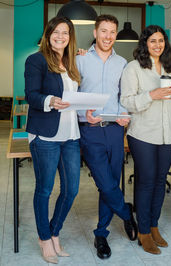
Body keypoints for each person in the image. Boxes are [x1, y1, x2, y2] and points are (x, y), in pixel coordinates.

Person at [76, 14, 137, 260]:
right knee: (105, 181)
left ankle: (101, 233)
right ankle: (126, 213)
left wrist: (125, 115)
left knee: (110, 180)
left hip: (114, 129)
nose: (108, 37)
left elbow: (124, 95)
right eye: (104, 31)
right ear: (95, 32)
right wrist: (83, 113)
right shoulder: (79, 60)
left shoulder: (122, 63)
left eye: (112, 32)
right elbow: (71, 93)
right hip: (89, 129)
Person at [121, 25, 171, 255]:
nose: (158, 45)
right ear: (145, 44)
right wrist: (151, 95)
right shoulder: (133, 68)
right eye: (153, 41)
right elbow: (126, 101)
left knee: (159, 181)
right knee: (146, 181)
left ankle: (154, 225)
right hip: (143, 134)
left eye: (161, 41)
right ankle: (144, 231)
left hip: (168, 133)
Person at [25, 16, 81, 264]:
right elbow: (32, 96)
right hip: (45, 136)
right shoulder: (36, 60)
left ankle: (54, 231)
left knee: (71, 190)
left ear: (70, 36)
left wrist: (86, 110)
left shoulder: (71, 63)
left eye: (65, 32)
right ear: (48, 34)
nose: (61, 36)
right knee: (45, 190)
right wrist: (50, 101)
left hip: (70, 135)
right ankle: (44, 238)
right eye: (56, 32)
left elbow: (75, 97)